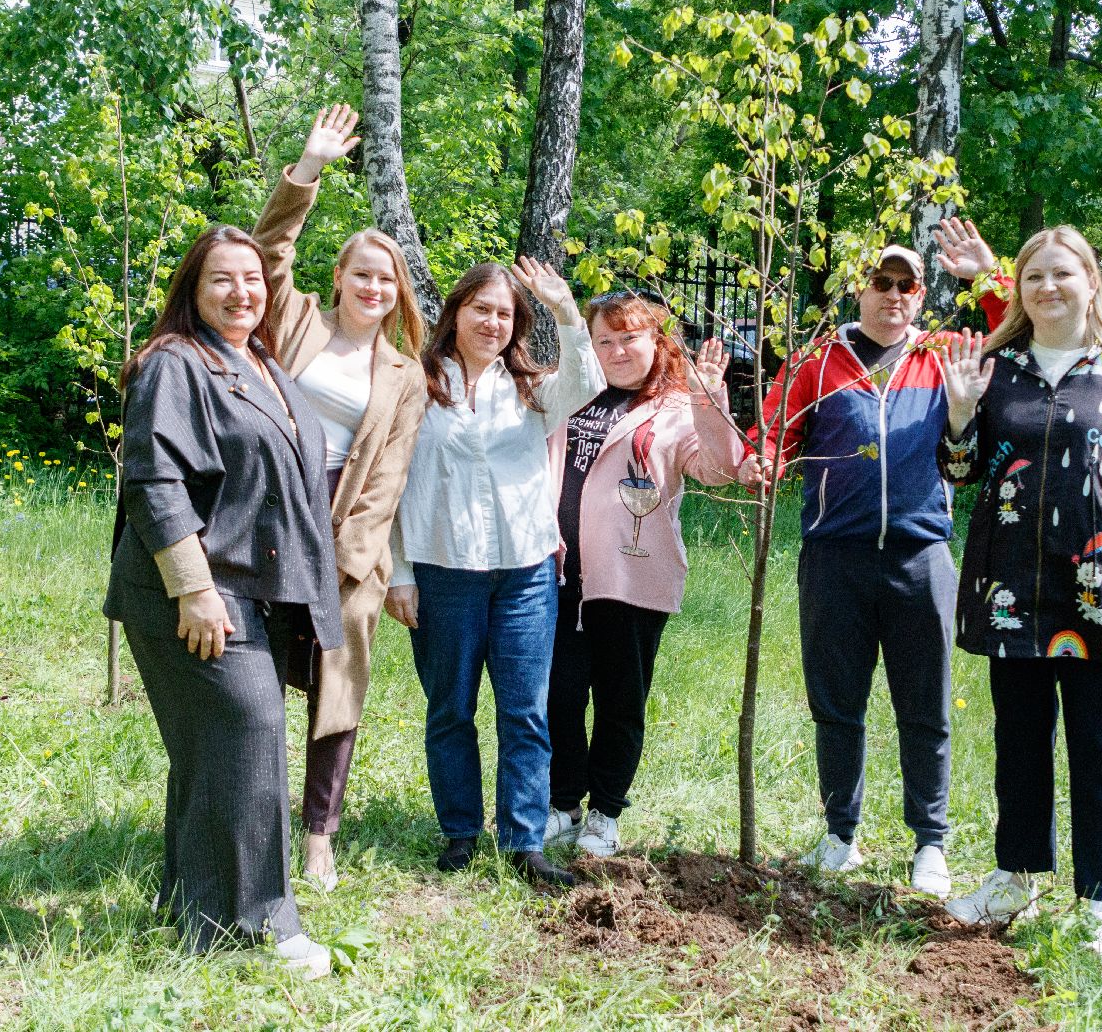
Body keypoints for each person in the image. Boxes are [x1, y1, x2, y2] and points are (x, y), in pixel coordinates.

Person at [932, 219, 1102, 965]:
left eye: (1063, 273)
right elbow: (959, 473)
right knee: (1019, 745)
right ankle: (1015, 877)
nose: (1048, 287)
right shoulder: (996, 364)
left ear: (1091, 280)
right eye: (1033, 277)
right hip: (1011, 589)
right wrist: (959, 415)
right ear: (1017, 291)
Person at [103, 225, 344, 977]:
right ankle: (260, 925)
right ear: (192, 291)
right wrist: (195, 589)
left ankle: (193, 907)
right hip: (196, 596)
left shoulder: (257, 359)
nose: (243, 292)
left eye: (252, 279)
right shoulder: (175, 363)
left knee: (217, 752)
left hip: (253, 592)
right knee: (249, 736)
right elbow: (153, 482)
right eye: (222, 280)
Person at [746, 243, 1003, 898]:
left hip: (922, 556)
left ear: (921, 296)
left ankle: (931, 845)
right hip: (835, 557)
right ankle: (840, 834)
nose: (893, 295)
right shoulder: (820, 359)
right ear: (859, 291)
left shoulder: (944, 353)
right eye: (881, 283)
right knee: (837, 705)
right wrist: (761, 460)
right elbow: (775, 430)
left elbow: (1019, 325)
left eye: (906, 286)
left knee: (926, 706)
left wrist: (989, 275)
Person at [384, 257, 605, 887]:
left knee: (525, 711)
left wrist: (564, 307)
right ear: (454, 313)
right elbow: (392, 483)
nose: (492, 322)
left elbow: (586, 378)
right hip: (441, 571)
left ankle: (524, 842)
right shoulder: (415, 386)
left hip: (524, 575)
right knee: (450, 707)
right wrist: (398, 572)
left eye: (505, 313)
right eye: (481, 308)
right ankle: (460, 832)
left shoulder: (533, 390)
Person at [253, 105, 428, 893]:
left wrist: (349, 561)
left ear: (397, 292)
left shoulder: (404, 375)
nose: (373, 287)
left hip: (345, 534)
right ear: (339, 278)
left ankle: (320, 832)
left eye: (385, 278)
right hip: (262, 515)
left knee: (338, 677)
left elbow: (387, 478)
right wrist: (309, 168)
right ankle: (250, 814)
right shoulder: (294, 324)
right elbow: (265, 253)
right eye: (361, 273)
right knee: (251, 672)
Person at [542, 294, 745, 858]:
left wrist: (710, 398)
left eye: (630, 337)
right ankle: (562, 804)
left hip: (629, 579)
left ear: (657, 342)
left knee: (620, 701)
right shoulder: (569, 394)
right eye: (603, 340)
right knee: (557, 695)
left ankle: (604, 812)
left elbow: (719, 467)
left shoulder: (677, 407)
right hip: (556, 575)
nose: (617, 351)